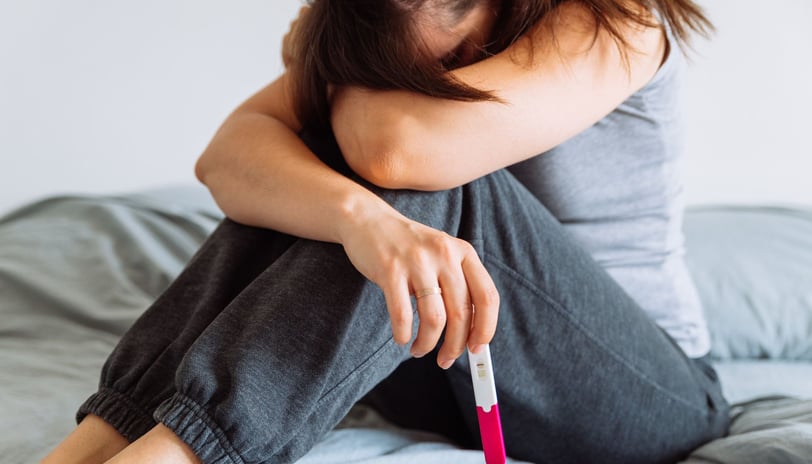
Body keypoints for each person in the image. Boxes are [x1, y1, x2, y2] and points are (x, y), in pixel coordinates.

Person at [42, 0, 730, 463]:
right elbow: (226, 159)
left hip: (637, 395)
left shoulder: (617, 18)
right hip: (440, 361)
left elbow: (397, 153)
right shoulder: (361, 20)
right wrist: (355, 218)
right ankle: (104, 433)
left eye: (443, 63)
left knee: (424, 184)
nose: (424, 79)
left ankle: (184, 452)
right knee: (309, 193)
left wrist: (341, 105)